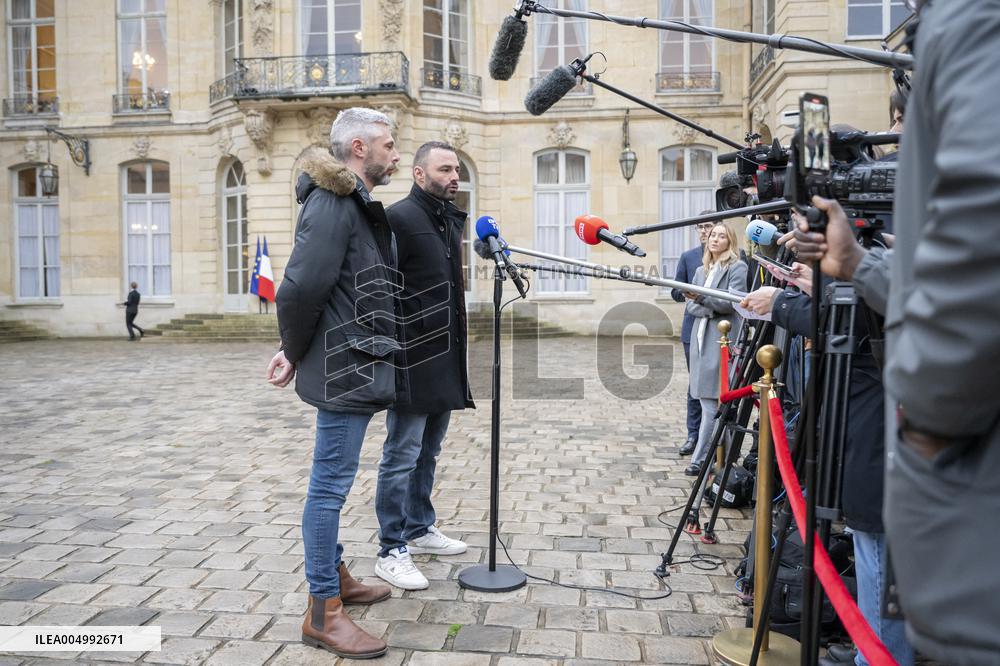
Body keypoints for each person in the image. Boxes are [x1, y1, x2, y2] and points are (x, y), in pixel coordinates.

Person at [788, 3, 1000, 659]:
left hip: (956, 482)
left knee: (892, 602)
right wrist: (854, 263)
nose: (897, 135)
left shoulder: (971, 26)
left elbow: (969, 277)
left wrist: (924, 432)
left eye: (906, 121)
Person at [265, 107, 401, 660]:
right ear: (360, 150)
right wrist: (292, 351)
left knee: (335, 483)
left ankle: (337, 577)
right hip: (344, 367)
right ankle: (323, 610)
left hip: (359, 361)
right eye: (389, 145)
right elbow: (298, 288)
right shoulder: (331, 203)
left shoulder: (353, 204)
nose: (396, 153)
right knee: (328, 489)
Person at [373, 141, 475, 590]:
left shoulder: (448, 219)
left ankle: (419, 526)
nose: (454, 176)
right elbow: (380, 289)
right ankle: (391, 546)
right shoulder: (398, 219)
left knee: (429, 452)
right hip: (412, 358)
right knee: (401, 455)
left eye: (456, 169)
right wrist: (397, 346)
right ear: (419, 174)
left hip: (446, 357)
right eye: (445, 169)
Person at [683, 223, 748, 481]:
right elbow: (691, 308)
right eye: (713, 235)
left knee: (713, 404)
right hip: (700, 339)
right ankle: (729, 457)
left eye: (722, 235)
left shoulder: (737, 267)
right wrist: (706, 305)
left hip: (721, 342)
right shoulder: (702, 269)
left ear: (729, 241)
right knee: (709, 402)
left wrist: (702, 301)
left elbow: (731, 302)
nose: (715, 239)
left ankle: (700, 460)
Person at [670, 219, 714, 457]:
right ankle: (693, 435)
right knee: (695, 384)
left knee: (718, 385)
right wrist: (685, 290)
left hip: (719, 329)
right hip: (693, 329)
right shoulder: (688, 257)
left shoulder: (735, 257)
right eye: (701, 227)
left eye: (709, 226)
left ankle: (717, 437)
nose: (705, 231)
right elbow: (675, 292)